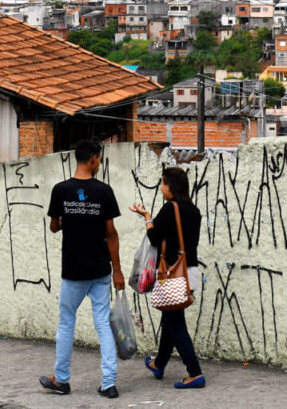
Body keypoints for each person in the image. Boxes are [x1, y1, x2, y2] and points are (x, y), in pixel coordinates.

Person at [40, 140, 125, 399]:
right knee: (103, 324)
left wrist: (70, 220)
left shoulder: (60, 190)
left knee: (66, 323)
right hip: (100, 270)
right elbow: (111, 235)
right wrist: (118, 271)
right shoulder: (104, 191)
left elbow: (54, 226)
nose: (99, 163)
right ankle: (108, 383)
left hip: (73, 271)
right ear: (93, 159)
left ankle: (61, 380)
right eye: (99, 159)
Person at [129, 166, 205, 389]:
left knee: (175, 323)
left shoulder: (169, 209)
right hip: (189, 271)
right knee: (170, 318)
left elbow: (154, 237)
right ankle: (159, 364)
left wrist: (147, 218)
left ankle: (195, 372)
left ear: (170, 186)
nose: (161, 187)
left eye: (162, 183)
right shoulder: (194, 210)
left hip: (172, 274)